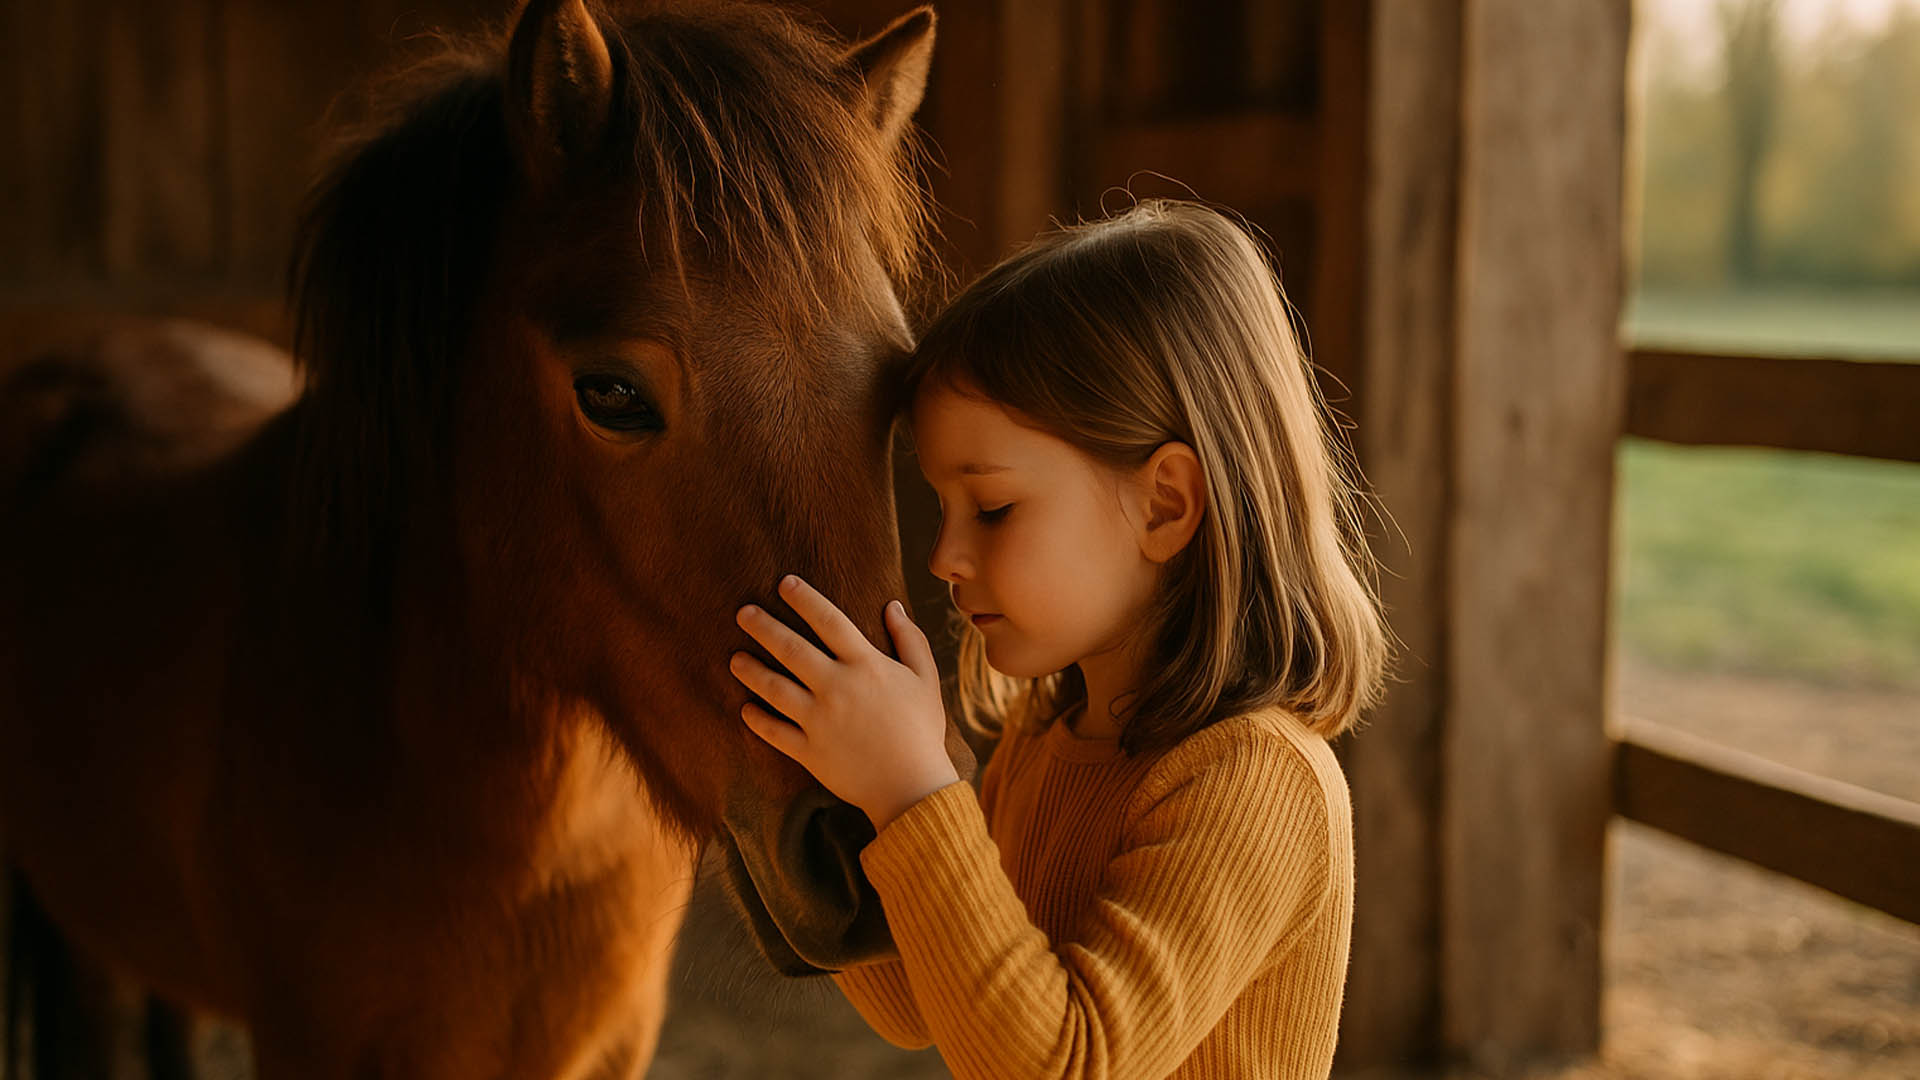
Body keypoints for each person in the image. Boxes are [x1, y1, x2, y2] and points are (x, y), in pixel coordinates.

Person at [726, 199, 1389, 1079]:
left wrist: (910, 792)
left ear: (1165, 505)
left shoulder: (1258, 782)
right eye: (943, 505)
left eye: (993, 507)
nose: (944, 556)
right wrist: (822, 782)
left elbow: (1069, 1064)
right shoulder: (1044, 743)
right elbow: (927, 1005)